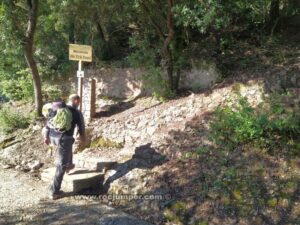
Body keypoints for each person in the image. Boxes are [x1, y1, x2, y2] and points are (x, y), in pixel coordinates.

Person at [43, 95, 85, 200]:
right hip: (63, 139)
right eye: (78, 101)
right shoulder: (76, 112)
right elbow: (81, 127)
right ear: (76, 100)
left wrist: (46, 137)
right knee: (61, 165)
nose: (79, 103)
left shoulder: (57, 108)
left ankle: (69, 165)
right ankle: (54, 191)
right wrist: (83, 137)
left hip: (53, 137)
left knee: (69, 144)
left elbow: (47, 125)